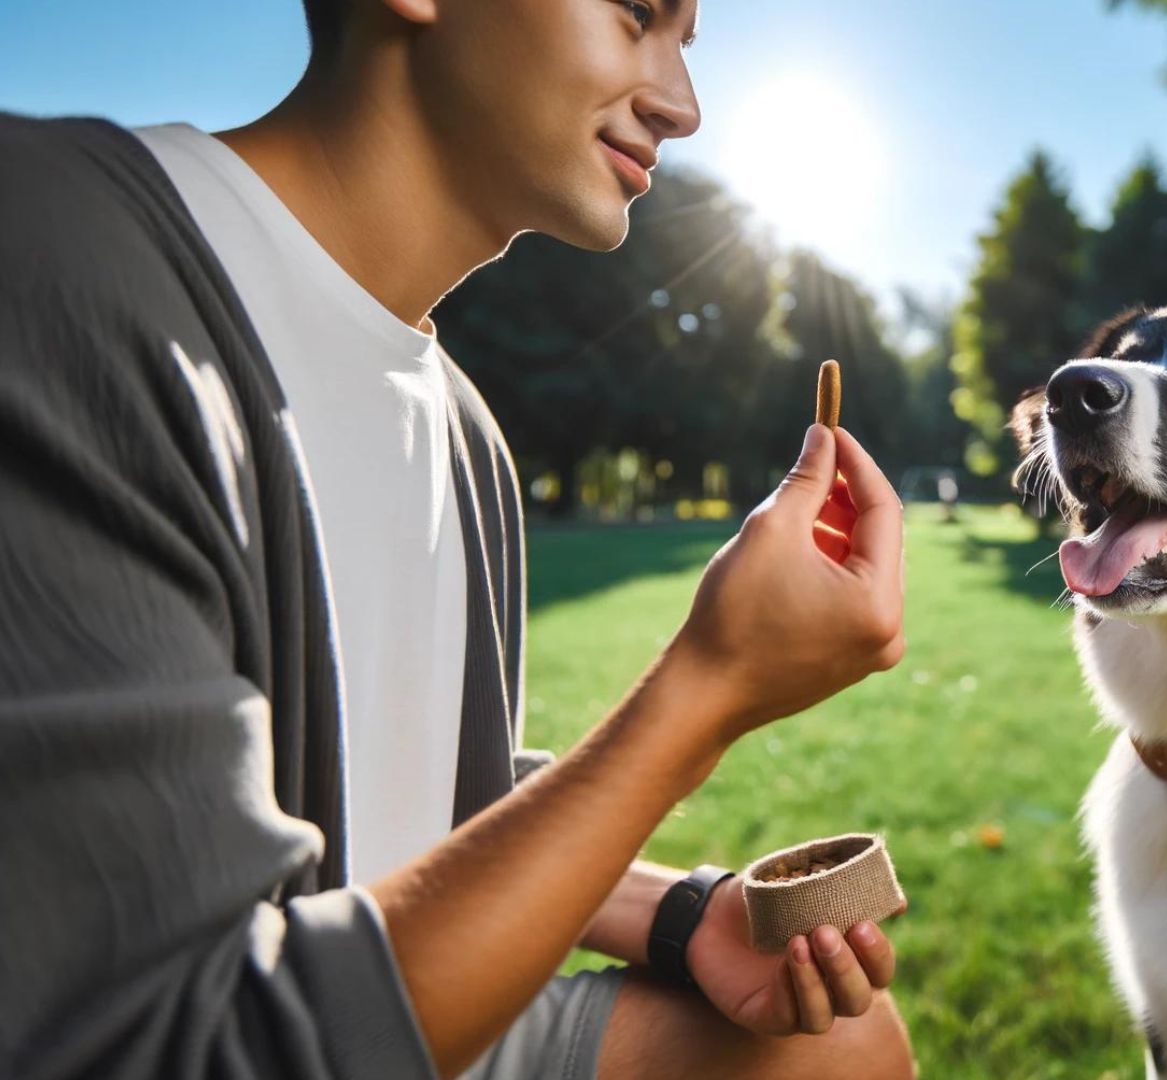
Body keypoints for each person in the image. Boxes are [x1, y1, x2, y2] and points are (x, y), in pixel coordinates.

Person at [0, 0, 917, 1077]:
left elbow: (434, 805)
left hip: (362, 1005)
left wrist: (673, 914)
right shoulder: (56, 250)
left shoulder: (463, 433)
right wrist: (702, 694)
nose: (682, 105)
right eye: (636, 15)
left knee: (834, 1048)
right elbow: (164, 1040)